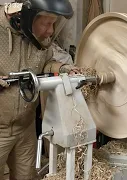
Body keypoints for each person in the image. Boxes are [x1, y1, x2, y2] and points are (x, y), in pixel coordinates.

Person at [0, 0, 78, 179]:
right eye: (46, 23)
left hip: (25, 127)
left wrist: (63, 68)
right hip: (1, 127)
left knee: (26, 176)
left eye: (54, 24)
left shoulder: (40, 38)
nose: (50, 31)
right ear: (26, 18)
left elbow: (46, 62)